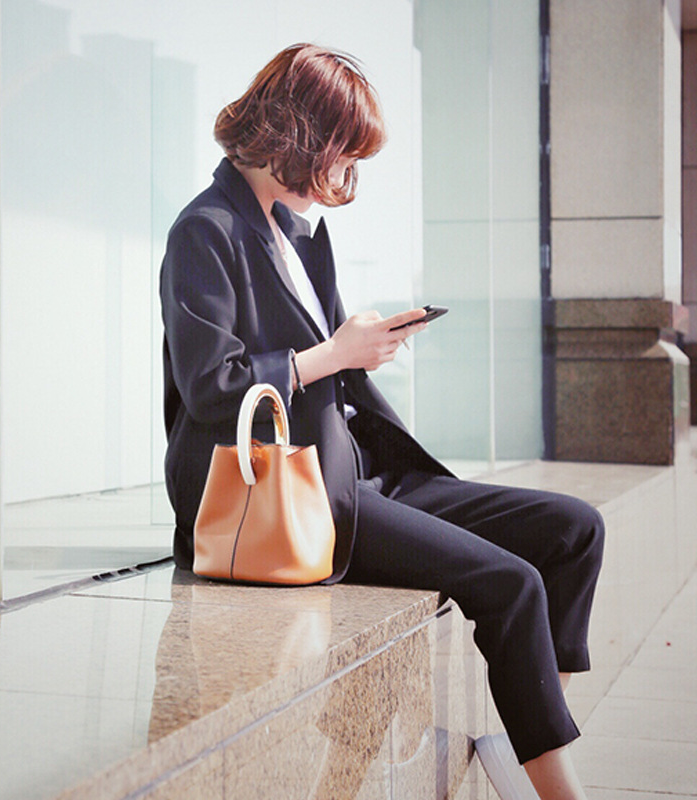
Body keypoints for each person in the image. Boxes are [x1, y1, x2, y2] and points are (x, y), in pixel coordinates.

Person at [159, 43, 604, 800]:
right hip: (291, 493)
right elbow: (212, 387)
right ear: (303, 138)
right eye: (345, 157)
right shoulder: (205, 231)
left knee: (575, 530)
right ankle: (556, 786)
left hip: (359, 466)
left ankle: (526, 723)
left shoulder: (301, 232)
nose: (348, 181)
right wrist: (334, 353)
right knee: (511, 584)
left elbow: (327, 356)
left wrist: (361, 350)